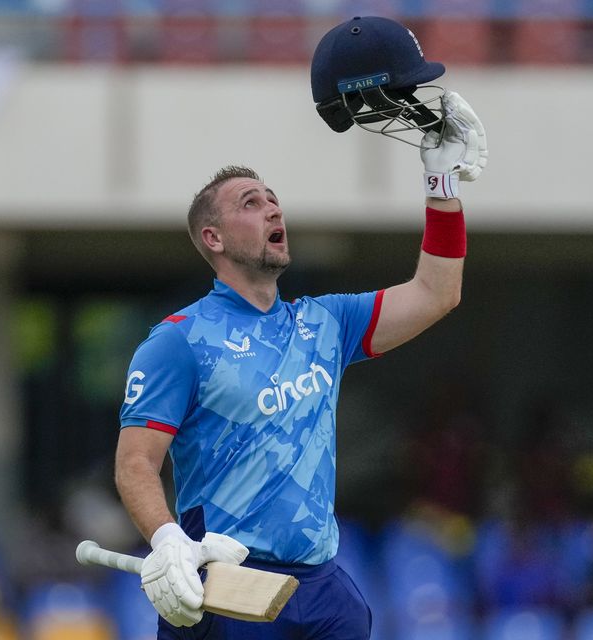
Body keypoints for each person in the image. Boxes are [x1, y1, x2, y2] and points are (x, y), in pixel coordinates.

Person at [114, 16, 488, 640]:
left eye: (272, 196)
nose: (272, 206)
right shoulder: (178, 340)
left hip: (321, 585)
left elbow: (437, 292)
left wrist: (440, 183)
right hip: (229, 583)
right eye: (249, 203)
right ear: (213, 238)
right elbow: (134, 465)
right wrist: (167, 541)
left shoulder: (324, 322)